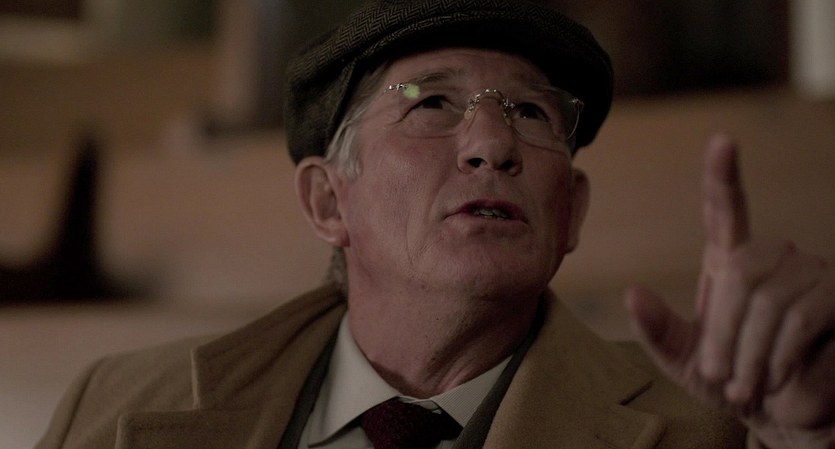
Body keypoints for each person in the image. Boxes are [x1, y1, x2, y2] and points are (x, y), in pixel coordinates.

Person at [36, 1, 834, 448]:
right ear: (327, 201)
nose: (493, 144)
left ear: (570, 211)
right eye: (431, 104)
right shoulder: (112, 405)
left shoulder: (720, 428)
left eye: (529, 112)